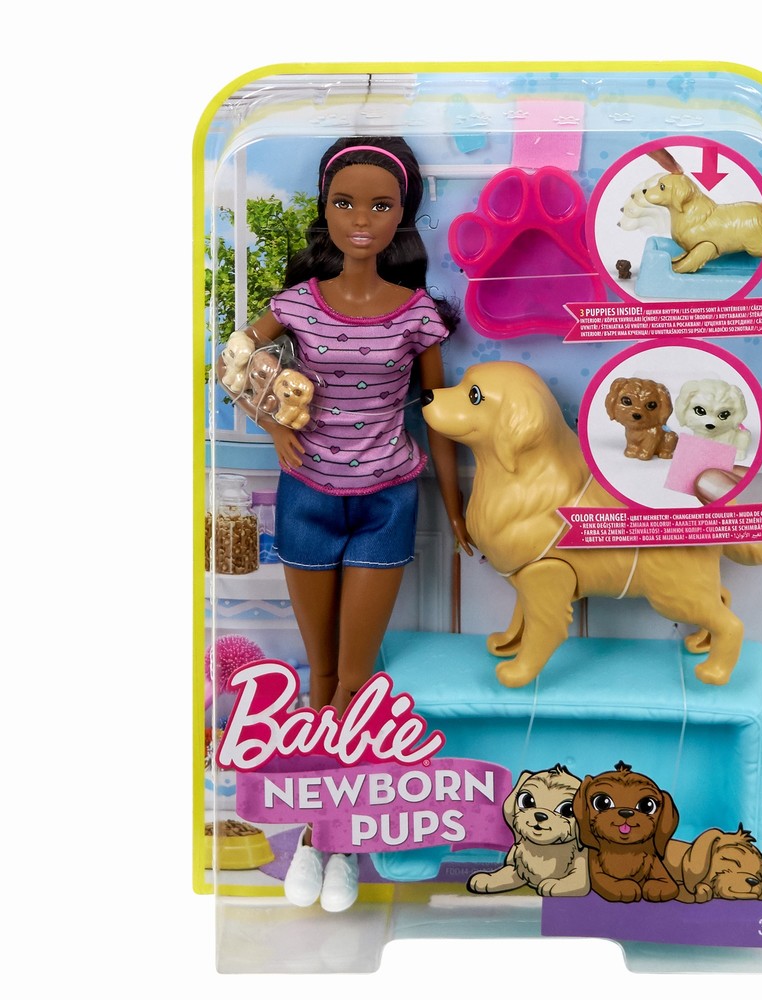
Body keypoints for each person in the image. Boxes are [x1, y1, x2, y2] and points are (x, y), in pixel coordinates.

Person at [219, 136, 472, 911]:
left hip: (388, 499)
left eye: (380, 205)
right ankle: (317, 836)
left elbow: (437, 414)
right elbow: (231, 356)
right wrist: (272, 421)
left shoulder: (417, 315)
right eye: (345, 203)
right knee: (319, 678)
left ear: (401, 216)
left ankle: (340, 844)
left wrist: (455, 505)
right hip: (307, 497)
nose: (361, 220)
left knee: (355, 681)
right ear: (325, 210)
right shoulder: (296, 305)